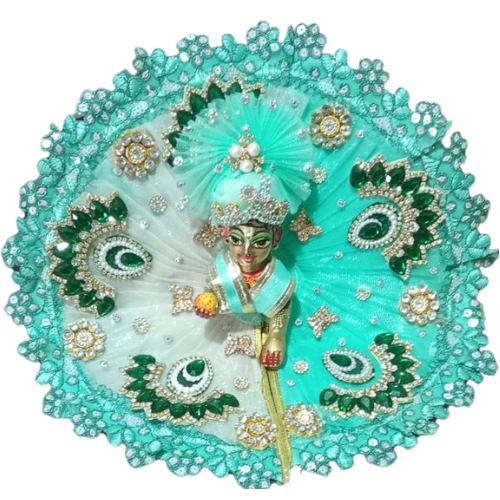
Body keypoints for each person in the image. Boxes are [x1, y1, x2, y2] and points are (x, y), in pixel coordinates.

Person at [194, 219, 294, 369]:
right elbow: (215, 284)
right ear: (226, 233)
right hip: (226, 327)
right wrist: (210, 295)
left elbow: (282, 303)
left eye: (260, 242)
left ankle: (276, 336)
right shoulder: (223, 265)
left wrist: (276, 337)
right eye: (236, 240)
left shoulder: (277, 276)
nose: (247, 251)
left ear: (276, 238)